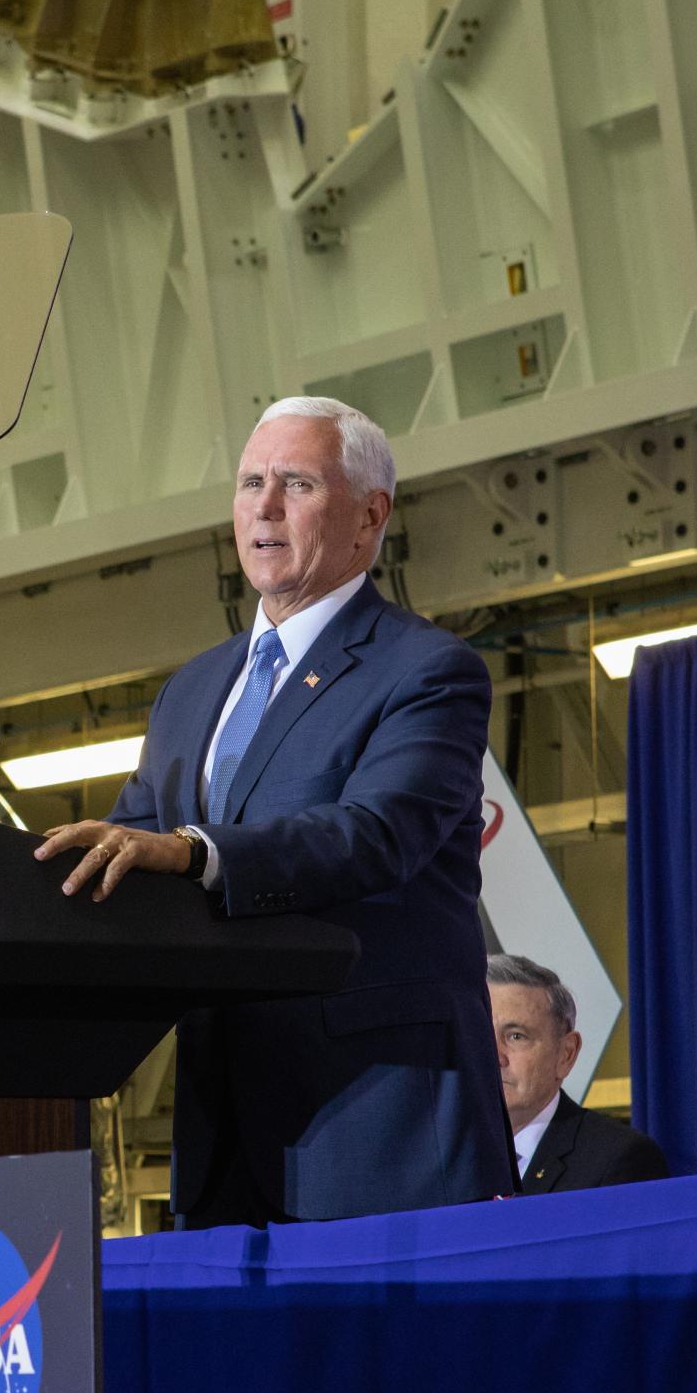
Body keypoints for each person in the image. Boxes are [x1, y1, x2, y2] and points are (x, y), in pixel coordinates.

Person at [37, 396, 512, 1225]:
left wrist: (192, 852)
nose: (263, 505)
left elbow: (374, 835)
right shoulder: (190, 691)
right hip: (224, 1125)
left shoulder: (429, 669)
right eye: (251, 481)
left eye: (296, 483)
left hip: (378, 1122)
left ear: (370, 517)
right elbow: (130, 848)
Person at [487, 952, 669, 1192]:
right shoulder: (436, 1155)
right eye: (481, 1034)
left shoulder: (620, 1160)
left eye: (516, 1036)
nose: (495, 1056)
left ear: (566, 1054)